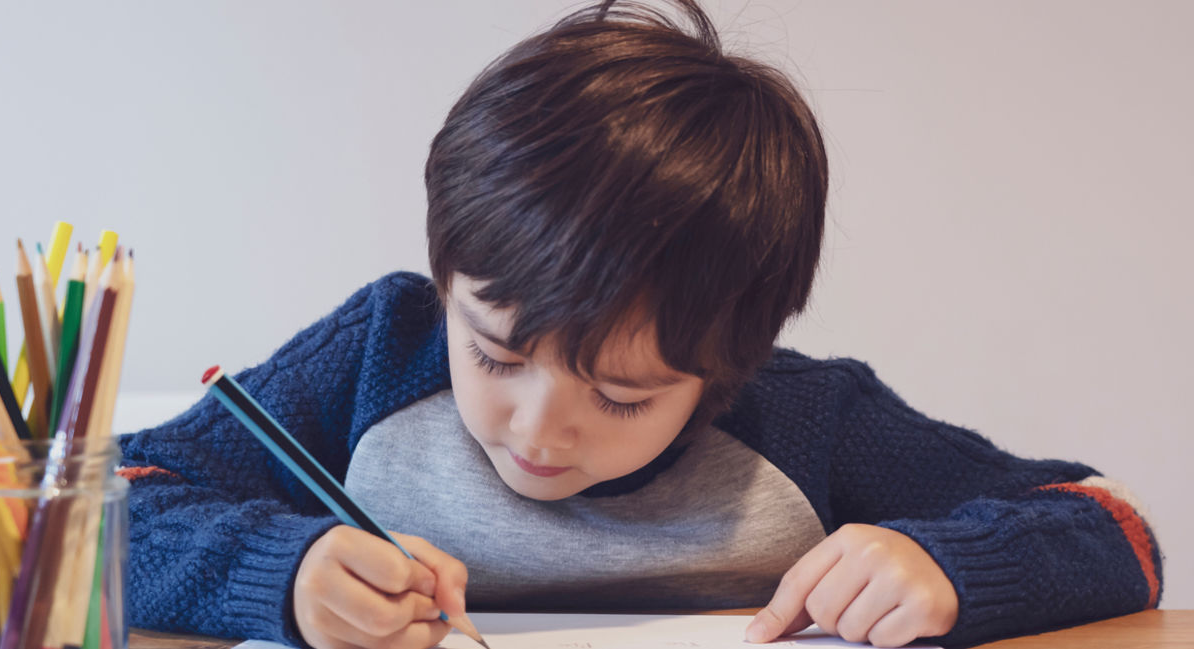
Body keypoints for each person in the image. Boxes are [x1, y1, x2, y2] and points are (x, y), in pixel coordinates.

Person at [118, 1, 1163, 647]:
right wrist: (286, 573)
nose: (538, 427)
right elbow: (107, 515)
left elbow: (1110, 527)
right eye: (494, 351)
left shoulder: (806, 420)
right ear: (448, 280)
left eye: (621, 394)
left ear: (725, 367)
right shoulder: (376, 354)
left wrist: (947, 570)